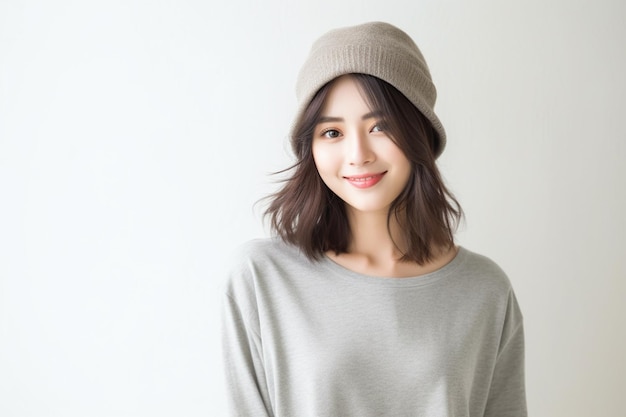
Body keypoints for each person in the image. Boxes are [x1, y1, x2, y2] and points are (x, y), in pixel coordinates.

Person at [221, 21, 526, 417]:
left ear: (420, 134)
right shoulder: (262, 277)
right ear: (310, 148)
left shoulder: (485, 290)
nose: (358, 154)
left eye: (380, 126)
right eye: (331, 132)